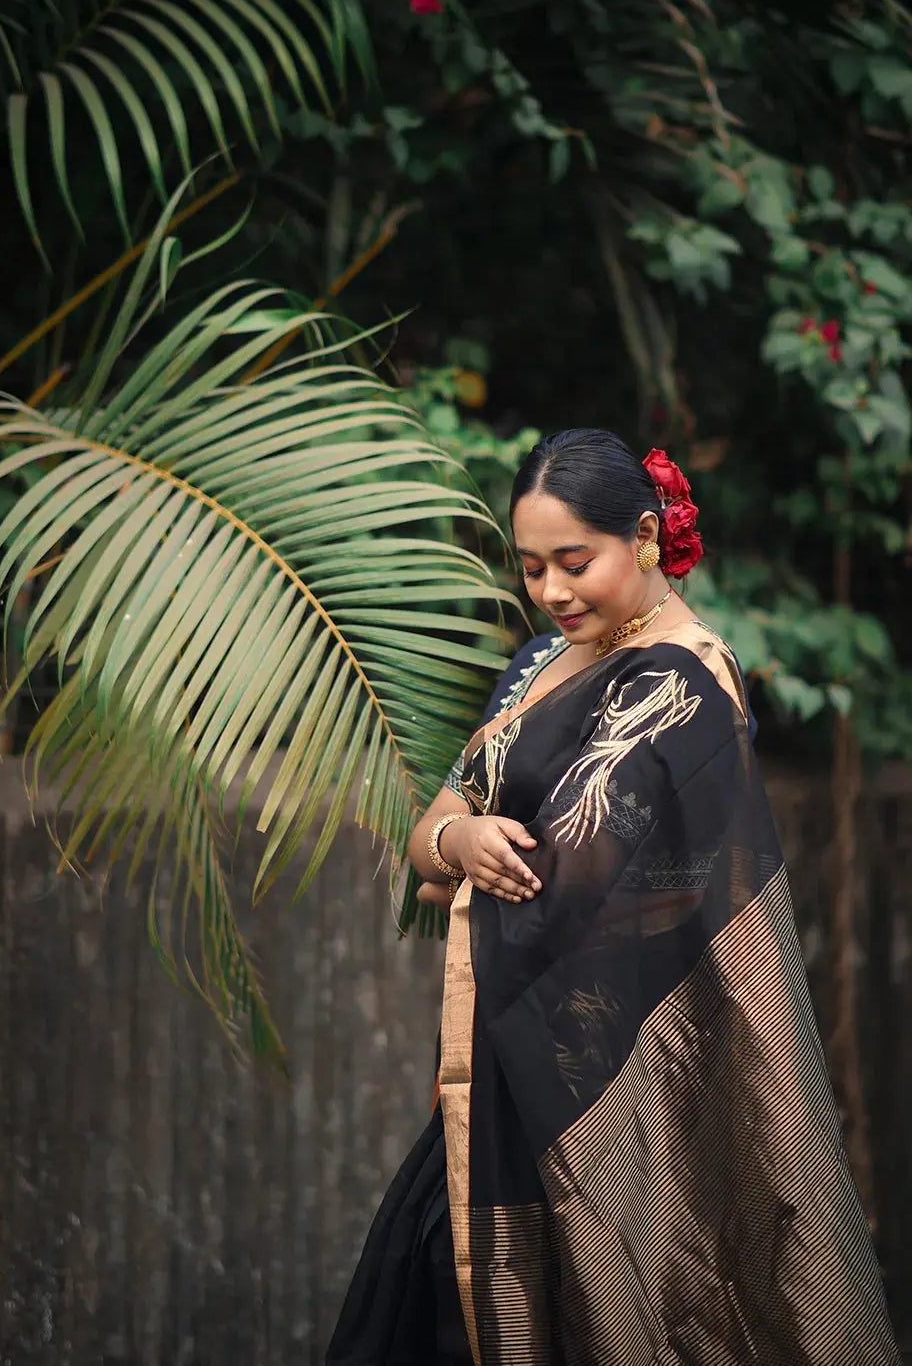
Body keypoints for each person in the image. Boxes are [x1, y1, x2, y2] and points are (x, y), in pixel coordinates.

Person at [327, 429, 899, 1366]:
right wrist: (461, 840)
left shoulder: (689, 682)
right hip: (502, 1073)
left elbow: (562, 880)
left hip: (629, 1081)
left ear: (642, 535)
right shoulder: (535, 668)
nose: (552, 592)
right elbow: (434, 844)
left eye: (574, 562)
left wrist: (462, 868)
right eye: (532, 568)